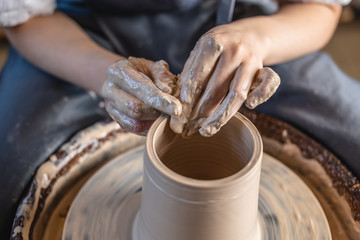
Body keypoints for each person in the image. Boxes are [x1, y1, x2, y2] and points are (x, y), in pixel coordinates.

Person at [1, 0, 359, 238]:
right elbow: (25, 18)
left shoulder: (254, 37)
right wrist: (107, 76)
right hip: (83, 34)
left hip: (247, 30)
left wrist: (259, 39)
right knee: (11, 173)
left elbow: (319, 7)